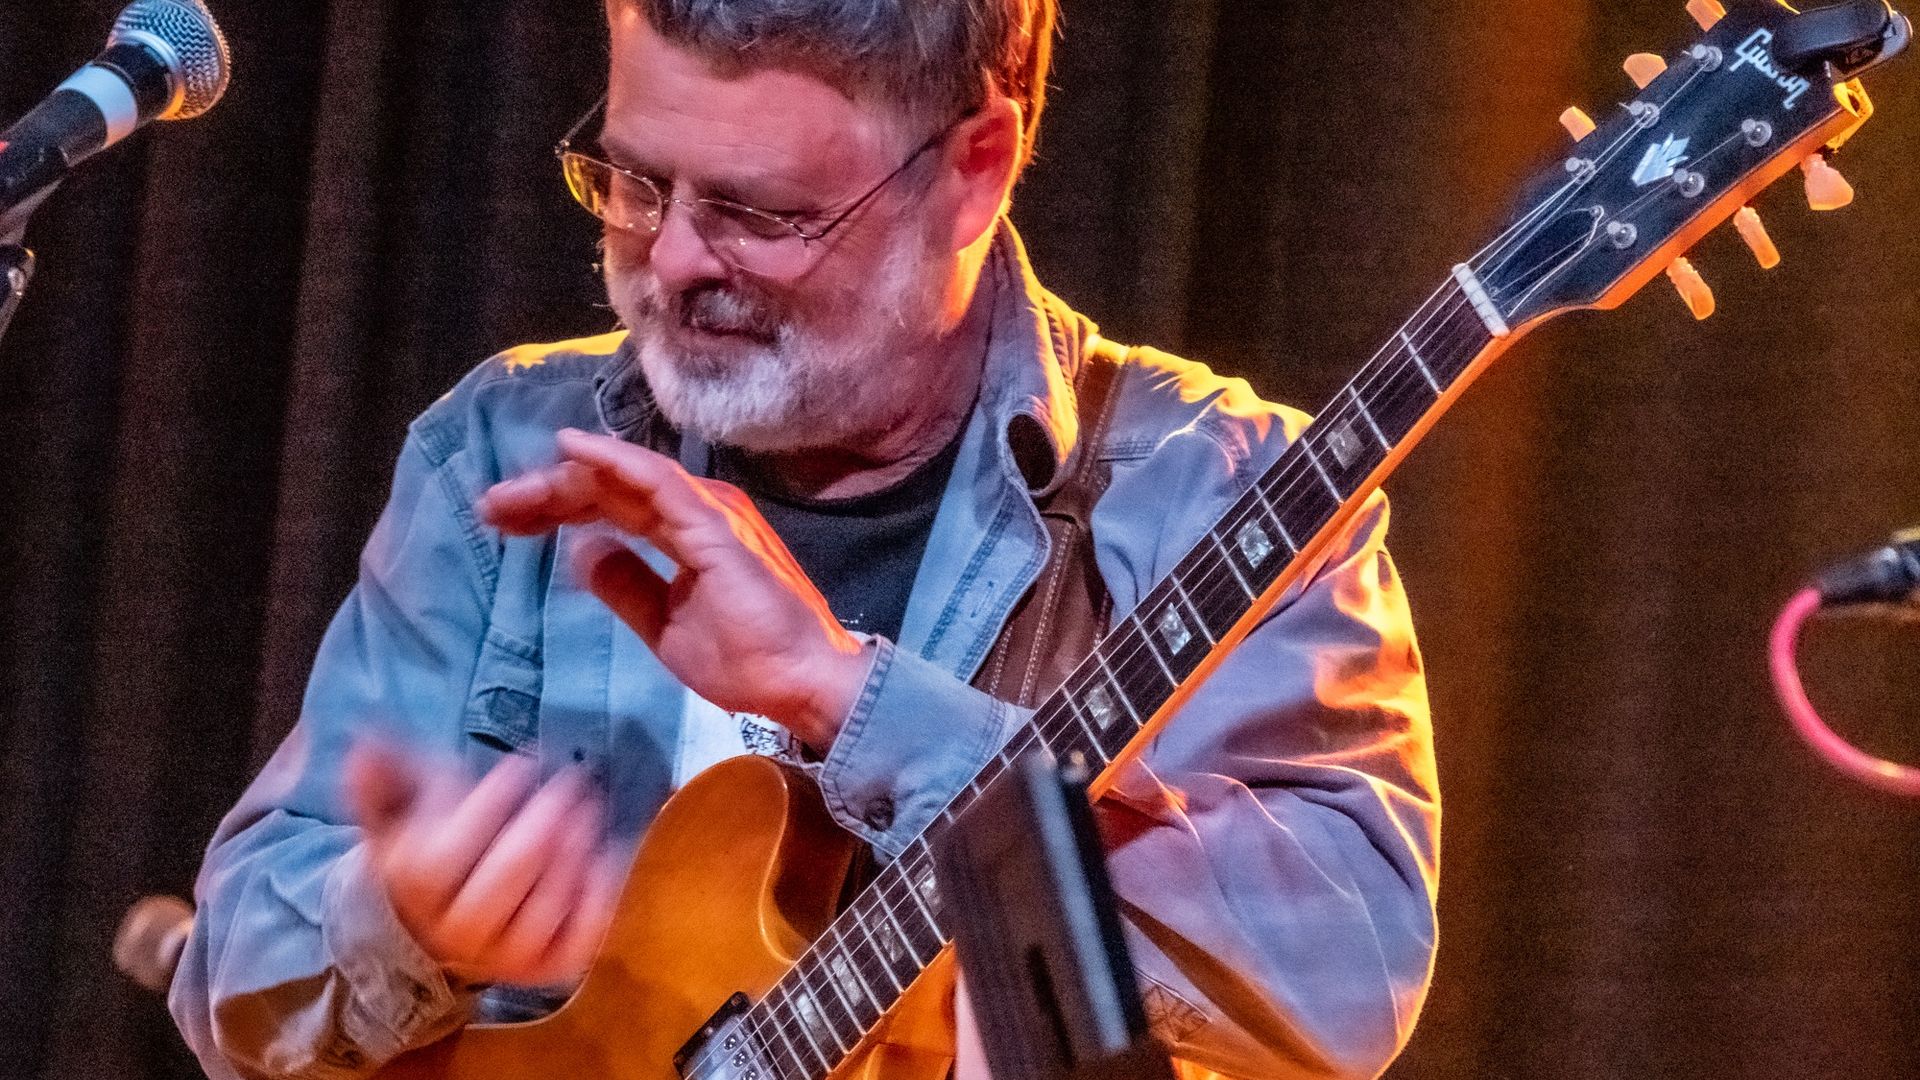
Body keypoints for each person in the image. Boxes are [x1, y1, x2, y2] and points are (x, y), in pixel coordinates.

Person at [169, 2, 1439, 1078]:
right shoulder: (507, 446)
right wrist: (405, 920)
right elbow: (229, 978)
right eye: (634, 182)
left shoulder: (1219, 494)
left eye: (757, 210)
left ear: (976, 169)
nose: (673, 259)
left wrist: (849, 697)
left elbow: (1350, 975)